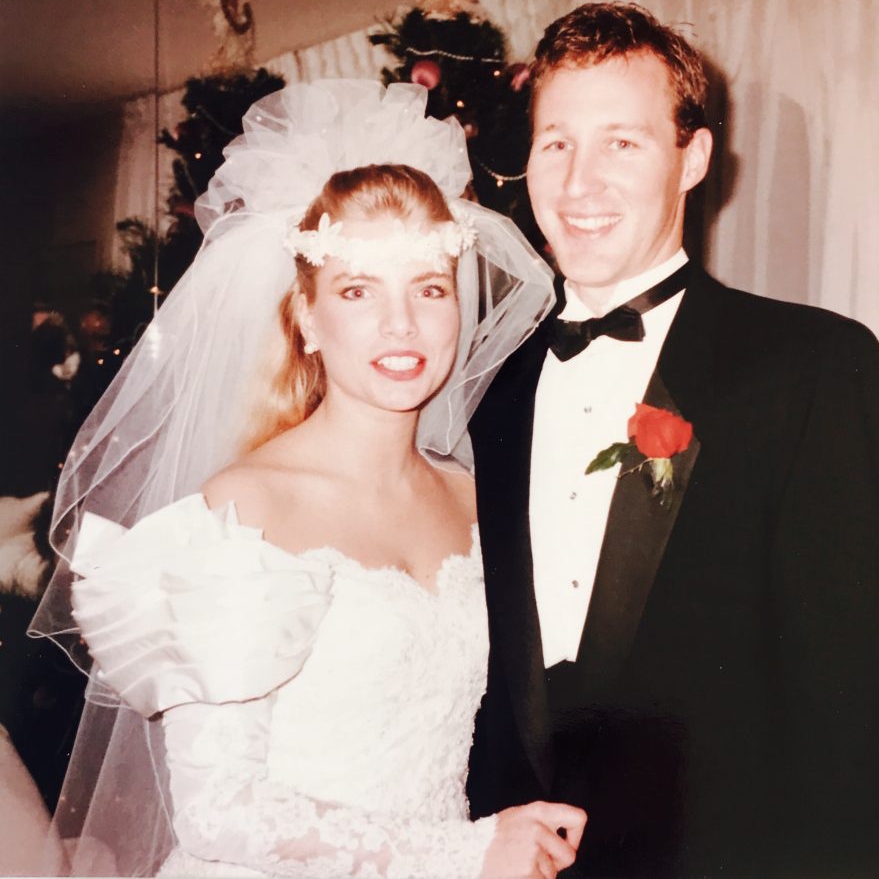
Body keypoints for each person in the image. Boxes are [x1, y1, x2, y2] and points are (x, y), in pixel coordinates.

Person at [30, 80, 585, 878]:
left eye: (429, 288)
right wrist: (462, 850)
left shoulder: (473, 498)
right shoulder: (243, 509)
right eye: (359, 290)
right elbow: (218, 811)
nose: (402, 324)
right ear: (308, 316)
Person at [468, 3, 879, 878]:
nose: (578, 183)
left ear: (694, 157)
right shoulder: (486, 386)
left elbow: (860, 710)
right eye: (556, 143)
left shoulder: (813, 365)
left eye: (622, 143)